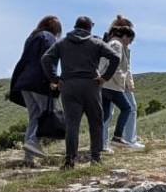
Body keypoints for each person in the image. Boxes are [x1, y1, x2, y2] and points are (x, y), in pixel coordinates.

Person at [42, 14, 121, 168]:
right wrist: (105, 77)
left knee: (72, 125)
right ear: (89, 27)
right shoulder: (96, 43)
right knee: (95, 122)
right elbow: (115, 57)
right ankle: (96, 158)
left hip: (69, 86)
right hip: (91, 85)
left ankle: (70, 160)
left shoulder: (63, 43)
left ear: (75, 26)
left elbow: (46, 59)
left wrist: (55, 79)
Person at [8, 14, 61, 167]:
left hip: (24, 81)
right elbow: (48, 59)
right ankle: (32, 142)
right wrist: (53, 79)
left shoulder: (32, 37)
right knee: (46, 114)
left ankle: (28, 157)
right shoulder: (49, 38)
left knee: (34, 116)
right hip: (40, 81)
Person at [99, 14, 142, 151]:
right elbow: (115, 65)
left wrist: (129, 82)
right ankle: (121, 139)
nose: (130, 41)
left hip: (113, 83)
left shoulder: (112, 41)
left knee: (109, 113)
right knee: (128, 108)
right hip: (114, 84)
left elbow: (125, 65)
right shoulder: (116, 44)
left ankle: (107, 142)